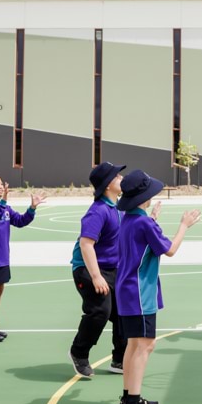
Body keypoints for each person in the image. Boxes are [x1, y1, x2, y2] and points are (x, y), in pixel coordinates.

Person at [113, 170, 201, 404]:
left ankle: (128, 397)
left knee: (133, 344)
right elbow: (170, 249)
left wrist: (152, 219)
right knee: (145, 345)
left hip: (128, 290)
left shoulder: (129, 219)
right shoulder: (143, 223)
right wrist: (184, 225)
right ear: (144, 196)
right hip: (140, 292)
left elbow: (144, 242)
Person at [68, 161, 127, 378]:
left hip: (112, 268)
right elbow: (86, 244)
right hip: (87, 267)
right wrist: (96, 276)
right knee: (100, 310)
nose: (122, 178)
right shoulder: (98, 211)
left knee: (123, 312)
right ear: (108, 184)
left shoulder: (119, 207)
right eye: (118, 176)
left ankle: (119, 359)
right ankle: (78, 352)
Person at [0, 173, 46, 342]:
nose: (0, 186)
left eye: (0, 183)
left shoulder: (4, 208)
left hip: (3, 257)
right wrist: (3, 202)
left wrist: (32, 208)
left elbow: (20, 221)